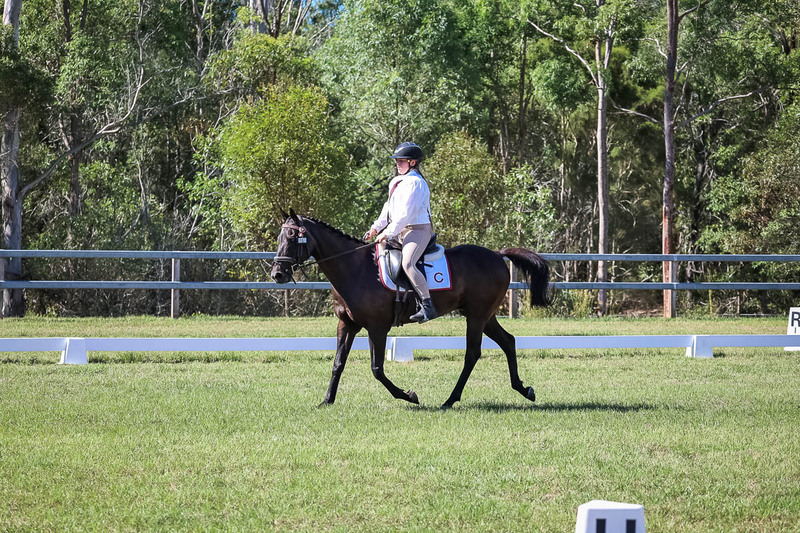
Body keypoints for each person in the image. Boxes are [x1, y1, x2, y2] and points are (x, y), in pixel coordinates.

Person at [363, 142, 438, 323]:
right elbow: (389, 208)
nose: (398, 164)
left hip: (418, 230)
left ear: (413, 162)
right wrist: (375, 228)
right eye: (397, 161)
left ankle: (428, 306)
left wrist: (388, 233)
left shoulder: (416, 183)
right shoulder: (397, 181)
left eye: (401, 161)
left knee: (408, 263)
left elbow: (406, 214)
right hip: (400, 230)